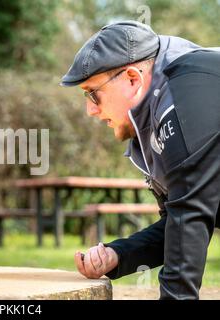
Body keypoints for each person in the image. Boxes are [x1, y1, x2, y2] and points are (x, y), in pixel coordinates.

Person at [60, 20, 220, 300]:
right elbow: (179, 222)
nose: (90, 110)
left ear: (133, 79)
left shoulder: (186, 97)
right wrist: (119, 254)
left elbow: (189, 216)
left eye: (92, 93)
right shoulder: (154, 114)